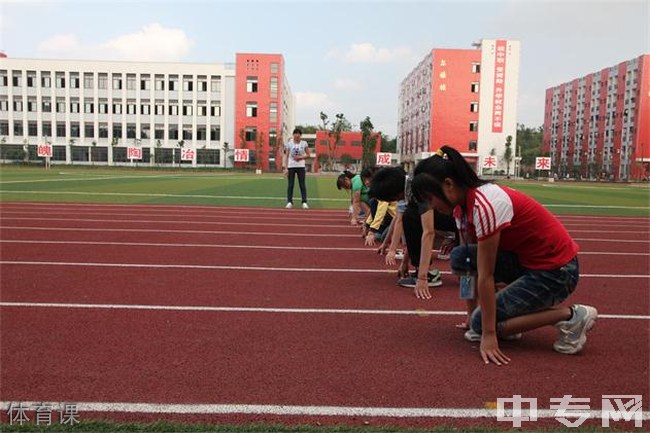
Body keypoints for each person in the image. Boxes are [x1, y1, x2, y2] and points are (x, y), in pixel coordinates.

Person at [410, 146, 597, 366]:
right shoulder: (461, 210)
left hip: (557, 272)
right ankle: (500, 322)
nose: (431, 206)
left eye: (430, 199)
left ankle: (573, 316)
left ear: (449, 185)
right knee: (461, 256)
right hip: (526, 263)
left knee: (483, 322)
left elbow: (486, 275)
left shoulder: (485, 205)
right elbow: (469, 266)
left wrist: (488, 333)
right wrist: (471, 314)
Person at [370, 166, 458, 292]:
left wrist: (422, 278)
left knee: (410, 215)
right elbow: (414, 228)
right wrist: (405, 263)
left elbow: (428, 232)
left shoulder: (419, 188)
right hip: (454, 217)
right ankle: (424, 269)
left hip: (460, 218)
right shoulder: (410, 185)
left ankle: (429, 273)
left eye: (393, 199)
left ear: (396, 194)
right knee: (410, 215)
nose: (396, 201)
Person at [282, 128, 311, 209]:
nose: (297, 136)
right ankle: (289, 202)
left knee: (302, 185)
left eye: (298, 134)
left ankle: (304, 202)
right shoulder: (289, 144)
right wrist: (285, 168)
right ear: (293, 135)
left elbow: (308, 154)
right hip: (291, 166)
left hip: (301, 166)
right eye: (295, 134)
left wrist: (300, 157)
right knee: (290, 185)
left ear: (300, 136)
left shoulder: (304, 143)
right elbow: (287, 156)